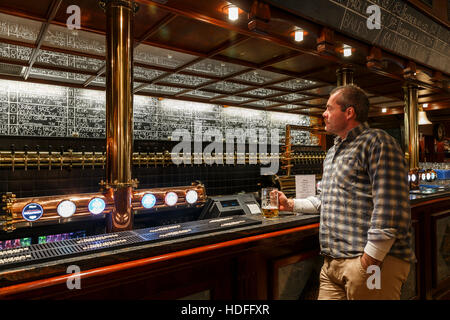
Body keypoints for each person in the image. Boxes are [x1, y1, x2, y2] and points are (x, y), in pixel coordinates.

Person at [277, 84, 415, 300]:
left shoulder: (376, 141)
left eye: (329, 108)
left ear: (349, 112)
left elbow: (391, 204)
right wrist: (290, 204)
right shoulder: (332, 152)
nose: (323, 114)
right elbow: (325, 201)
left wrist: (370, 260)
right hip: (332, 265)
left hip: (371, 263)